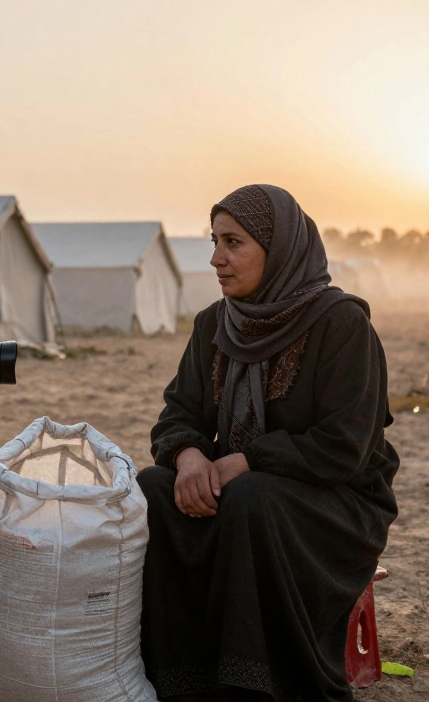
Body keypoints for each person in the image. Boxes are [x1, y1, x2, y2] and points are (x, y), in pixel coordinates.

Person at [138, 184, 399, 702]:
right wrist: (190, 456)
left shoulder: (341, 323)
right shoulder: (215, 323)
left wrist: (247, 461)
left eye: (233, 243)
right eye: (214, 241)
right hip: (243, 492)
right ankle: (178, 678)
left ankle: (251, 684)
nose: (217, 258)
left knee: (252, 497)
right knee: (152, 487)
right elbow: (178, 413)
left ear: (278, 249)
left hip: (337, 500)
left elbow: (345, 445)